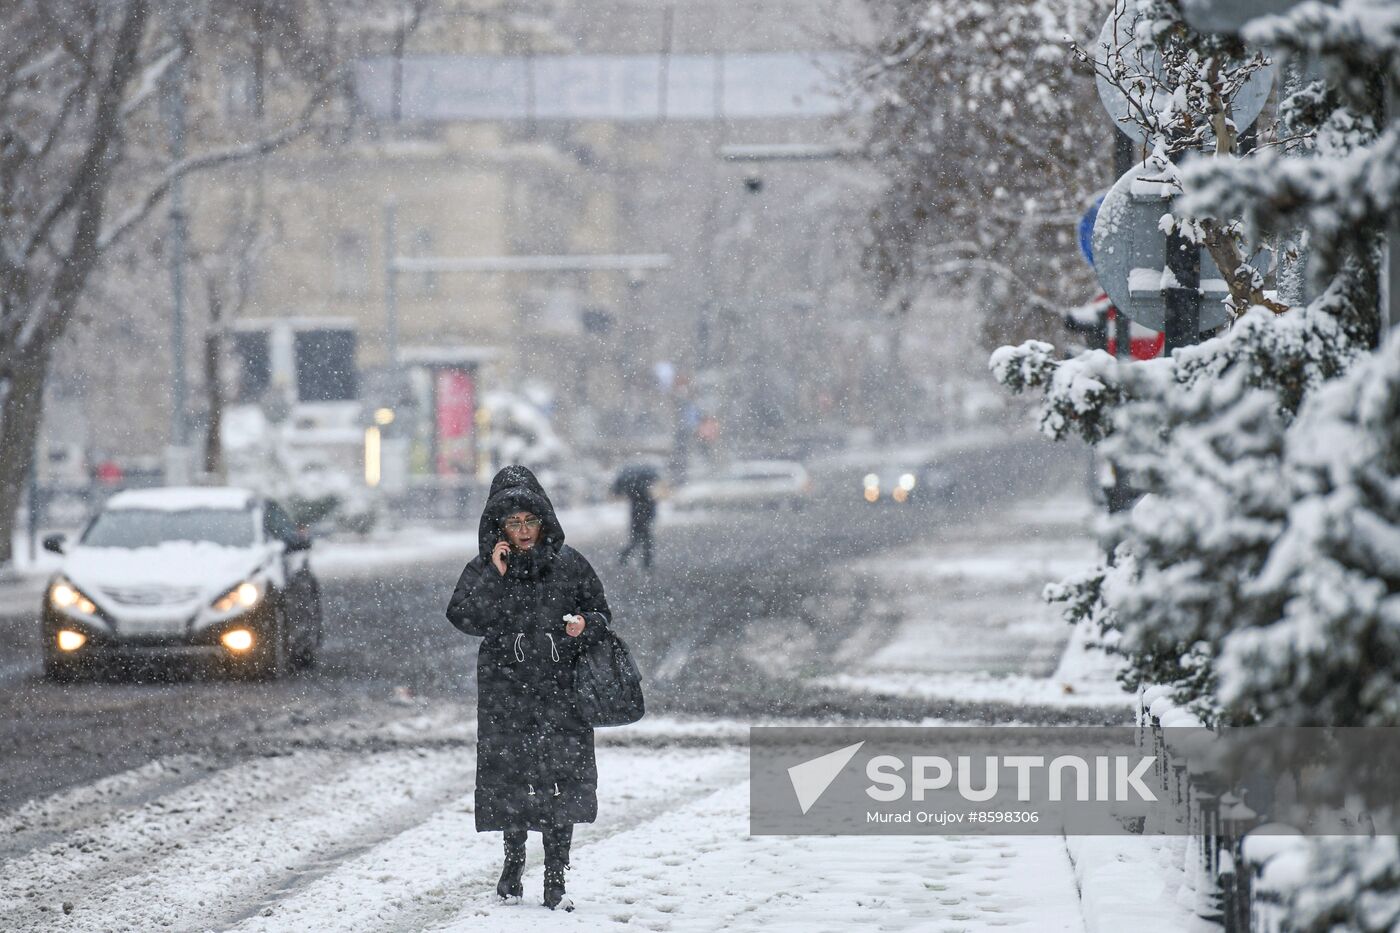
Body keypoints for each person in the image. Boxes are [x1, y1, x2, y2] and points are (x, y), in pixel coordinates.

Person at [445, 465, 614, 912]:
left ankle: (556, 874)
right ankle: (513, 861)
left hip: (562, 691)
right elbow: (465, 618)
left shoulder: (569, 564)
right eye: (513, 523)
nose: (523, 531)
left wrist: (584, 626)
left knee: (562, 780)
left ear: (544, 522)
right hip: (507, 691)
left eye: (530, 521)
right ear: (498, 527)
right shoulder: (486, 568)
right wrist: (494, 576)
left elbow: (601, 614)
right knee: (512, 779)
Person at [612, 466, 658, 569]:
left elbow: (639, 510)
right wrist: (650, 515)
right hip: (642, 521)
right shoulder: (644, 495)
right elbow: (650, 507)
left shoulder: (633, 494)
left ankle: (626, 557)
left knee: (637, 541)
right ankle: (645, 563)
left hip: (637, 520)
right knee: (644, 542)